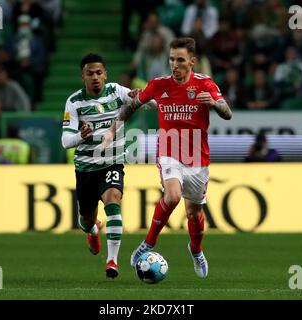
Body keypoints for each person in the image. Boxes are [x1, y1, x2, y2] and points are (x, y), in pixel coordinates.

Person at [103, 37, 232, 278]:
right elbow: (132, 104)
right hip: (169, 152)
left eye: (180, 60)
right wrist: (113, 128)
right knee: (172, 196)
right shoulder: (159, 84)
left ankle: (195, 250)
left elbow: (227, 113)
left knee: (194, 212)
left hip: (197, 155)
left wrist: (214, 103)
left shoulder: (205, 84)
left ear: (192, 61)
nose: (175, 64)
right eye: (171, 59)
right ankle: (148, 243)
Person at [61, 53, 135, 279]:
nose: (95, 77)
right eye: (90, 73)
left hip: (112, 162)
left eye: (99, 73)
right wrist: (81, 137)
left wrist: (148, 97)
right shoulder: (74, 102)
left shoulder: (116, 91)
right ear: (83, 76)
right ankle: (92, 230)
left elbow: (145, 102)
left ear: (105, 75)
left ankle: (112, 261)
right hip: (85, 168)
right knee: (86, 220)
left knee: (113, 199)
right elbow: (65, 142)